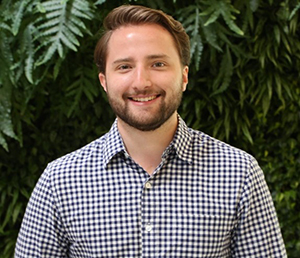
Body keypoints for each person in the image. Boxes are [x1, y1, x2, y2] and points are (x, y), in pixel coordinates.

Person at [15, 4, 287, 257]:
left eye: (158, 64)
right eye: (124, 67)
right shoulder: (60, 181)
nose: (141, 82)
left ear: (183, 76)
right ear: (104, 82)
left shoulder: (238, 173)